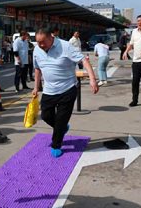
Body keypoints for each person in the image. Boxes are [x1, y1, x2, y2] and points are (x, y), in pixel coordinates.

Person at [32, 27, 98, 157]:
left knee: (61, 120)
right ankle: (61, 127)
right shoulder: (37, 49)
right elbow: (37, 69)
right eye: (38, 42)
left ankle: (56, 144)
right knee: (46, 116)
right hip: (49, 90)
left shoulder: (65, 46)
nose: (40, 45)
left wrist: (92, 79)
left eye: (43, 42)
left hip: (67, 89)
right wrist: (36, 87)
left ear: (51, 38)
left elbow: (83, 60)